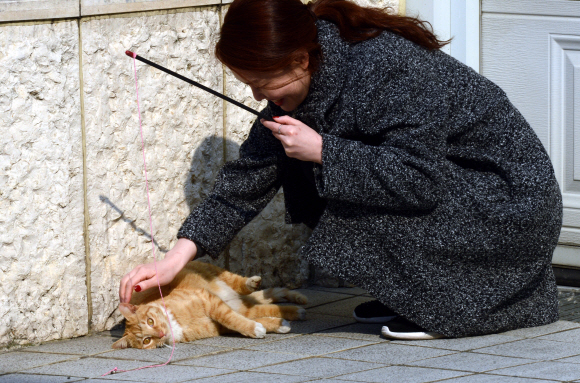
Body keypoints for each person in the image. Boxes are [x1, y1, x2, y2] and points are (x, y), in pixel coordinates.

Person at [119, 0, 563, 339]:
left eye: (264, 83)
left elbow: (419, 179)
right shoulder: (298, 83)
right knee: (304, 164)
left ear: (301, 60)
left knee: (324, 167)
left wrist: (325, 151)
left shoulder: (386, 68)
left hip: (506, 208)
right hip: (461, 196)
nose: (257, 98)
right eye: (248, 85)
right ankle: (420, 292)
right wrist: (175, 259)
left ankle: (454, 304)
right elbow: (247, 179)